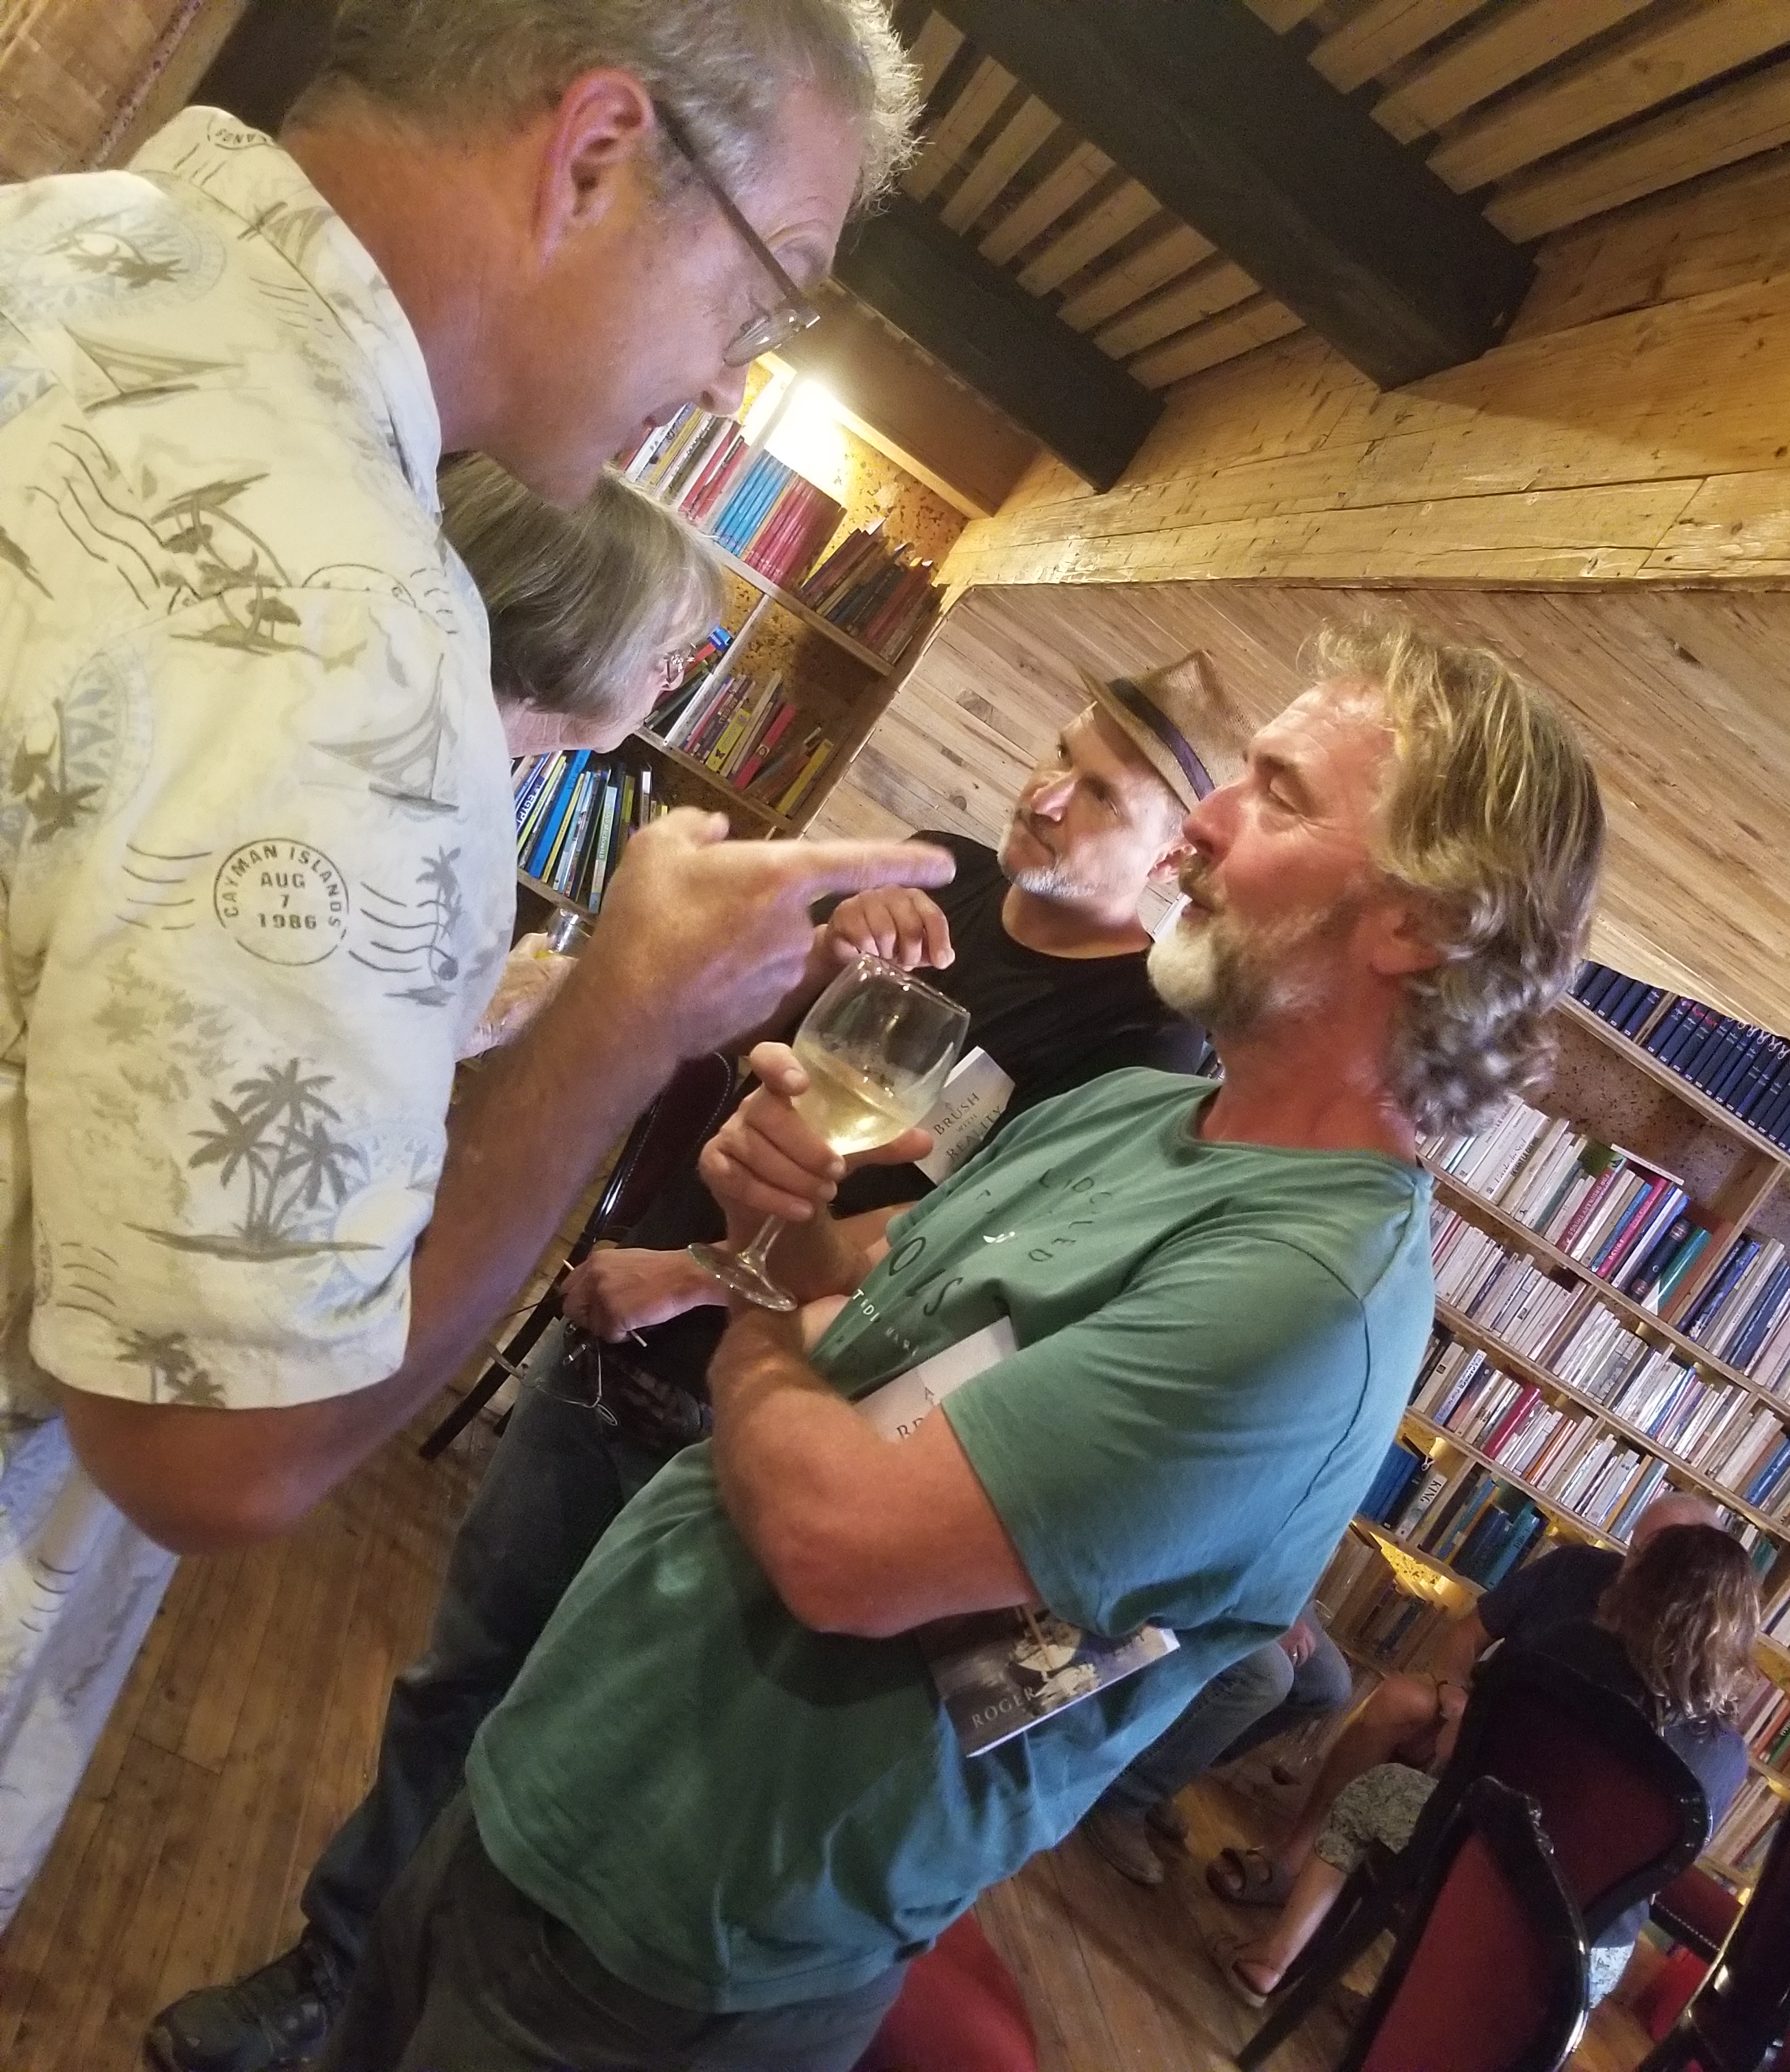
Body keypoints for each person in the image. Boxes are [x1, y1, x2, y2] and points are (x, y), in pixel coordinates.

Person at [310, 616, 1606, 2072]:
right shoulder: (1138, 1110)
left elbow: (838, 1541)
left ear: (1420, 922)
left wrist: (746, 1310)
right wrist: (767, 1210)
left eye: (1278, 794)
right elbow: (850, 1291)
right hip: (561, 1771)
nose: (1205, 826)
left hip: (681, 1935)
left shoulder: (1302, 1301)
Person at [0, 0, 932, 1934]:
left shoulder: (54, 245)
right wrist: (623, 1017)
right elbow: (219, 1447)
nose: (728, 375)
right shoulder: (349, 637)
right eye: (764, 292)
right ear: (594, 153)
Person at [151, 657, 1218, 2072]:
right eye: (1058, 753)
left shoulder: (1144, 1047)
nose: (1048, 795)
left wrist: (694, 1274)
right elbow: (730, 1051)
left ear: (1176, 852)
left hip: (767, 1430)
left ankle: (418, 2016)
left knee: (570, 1745)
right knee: (460, 1677)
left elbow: (955, 1251)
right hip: (622, 1349)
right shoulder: (943, 874)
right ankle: (334, 1971)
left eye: (1102, 792)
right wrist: (817, 959)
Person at [1210, 1522, 1758, 2010]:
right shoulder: (1730, 1757)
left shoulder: (1572, 1649)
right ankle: (1412, 2024)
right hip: (1584, 1954)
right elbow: (1664, 1865)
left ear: (1644, 1587)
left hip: (1479, 1873)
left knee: (1373, 1793)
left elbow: (1460, 1753)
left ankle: (1271, 1962)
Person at [1205, 1488, 1723, 1908]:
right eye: (1635, 1547)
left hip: (1544, 1775)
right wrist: (1456, 1694)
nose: (1632, 1566)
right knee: (1398, 1700)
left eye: (1653, 1556)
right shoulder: (1577, 1569)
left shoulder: (1685, 1666)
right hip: (1481, 1710)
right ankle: (1294, 1861)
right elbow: (1466, 1636)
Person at [448, 453, 723, 1056]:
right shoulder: (431, 788)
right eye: (670, 656)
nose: (672, 681)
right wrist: (482, 1020)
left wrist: (479, 996)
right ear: (577, 636)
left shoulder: (458, 755)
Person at [1082, 1609, 1353, 1887]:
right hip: (1239, 1591)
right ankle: (1127, 1793)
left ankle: (1171, 1769)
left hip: (1286, 1597)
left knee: (1330, 1685)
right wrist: (1277, 1618)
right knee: (1268, 1677)